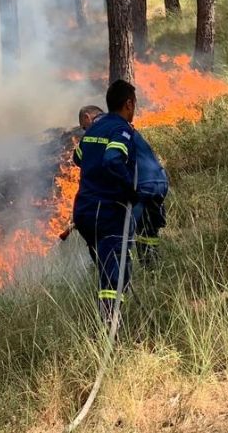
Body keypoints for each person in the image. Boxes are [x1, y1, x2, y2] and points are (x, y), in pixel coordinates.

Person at [72, 80, 138, 323]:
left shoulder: (93, 129)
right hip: (107, 211)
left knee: (107, 264)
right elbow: (112, 159)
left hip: (84, 211)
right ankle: (110, 327)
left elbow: (77, 158)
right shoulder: (121, 129)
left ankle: (113, 315)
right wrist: (129, 189)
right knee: (113, 269)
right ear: (128, 104)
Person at [77, 105, 168, 267]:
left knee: (116, 232)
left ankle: (114, 272)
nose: (86, 130)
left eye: (84, 127)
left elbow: (79, 159)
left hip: (138, 186)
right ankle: (152, 270)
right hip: (158, 181)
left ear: (87, 117)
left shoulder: (97, 130)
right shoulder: (123, 125)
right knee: (148, 231)